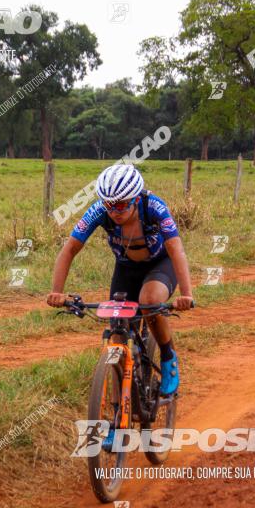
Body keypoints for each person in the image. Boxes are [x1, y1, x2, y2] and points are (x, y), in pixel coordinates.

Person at [46, 163, 194, 395]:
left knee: (150, 300)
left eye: (122, 205)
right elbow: (69, 250)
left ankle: (168, 357)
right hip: (126, 269)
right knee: (116, 339)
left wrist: (186, 295)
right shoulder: (99, 211)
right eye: (109, 205)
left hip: (160, 265)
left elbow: (177, 251)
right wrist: (57, 292)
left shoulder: (154, 207)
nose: (114, 211)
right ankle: (118, 414)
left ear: (135, 199)